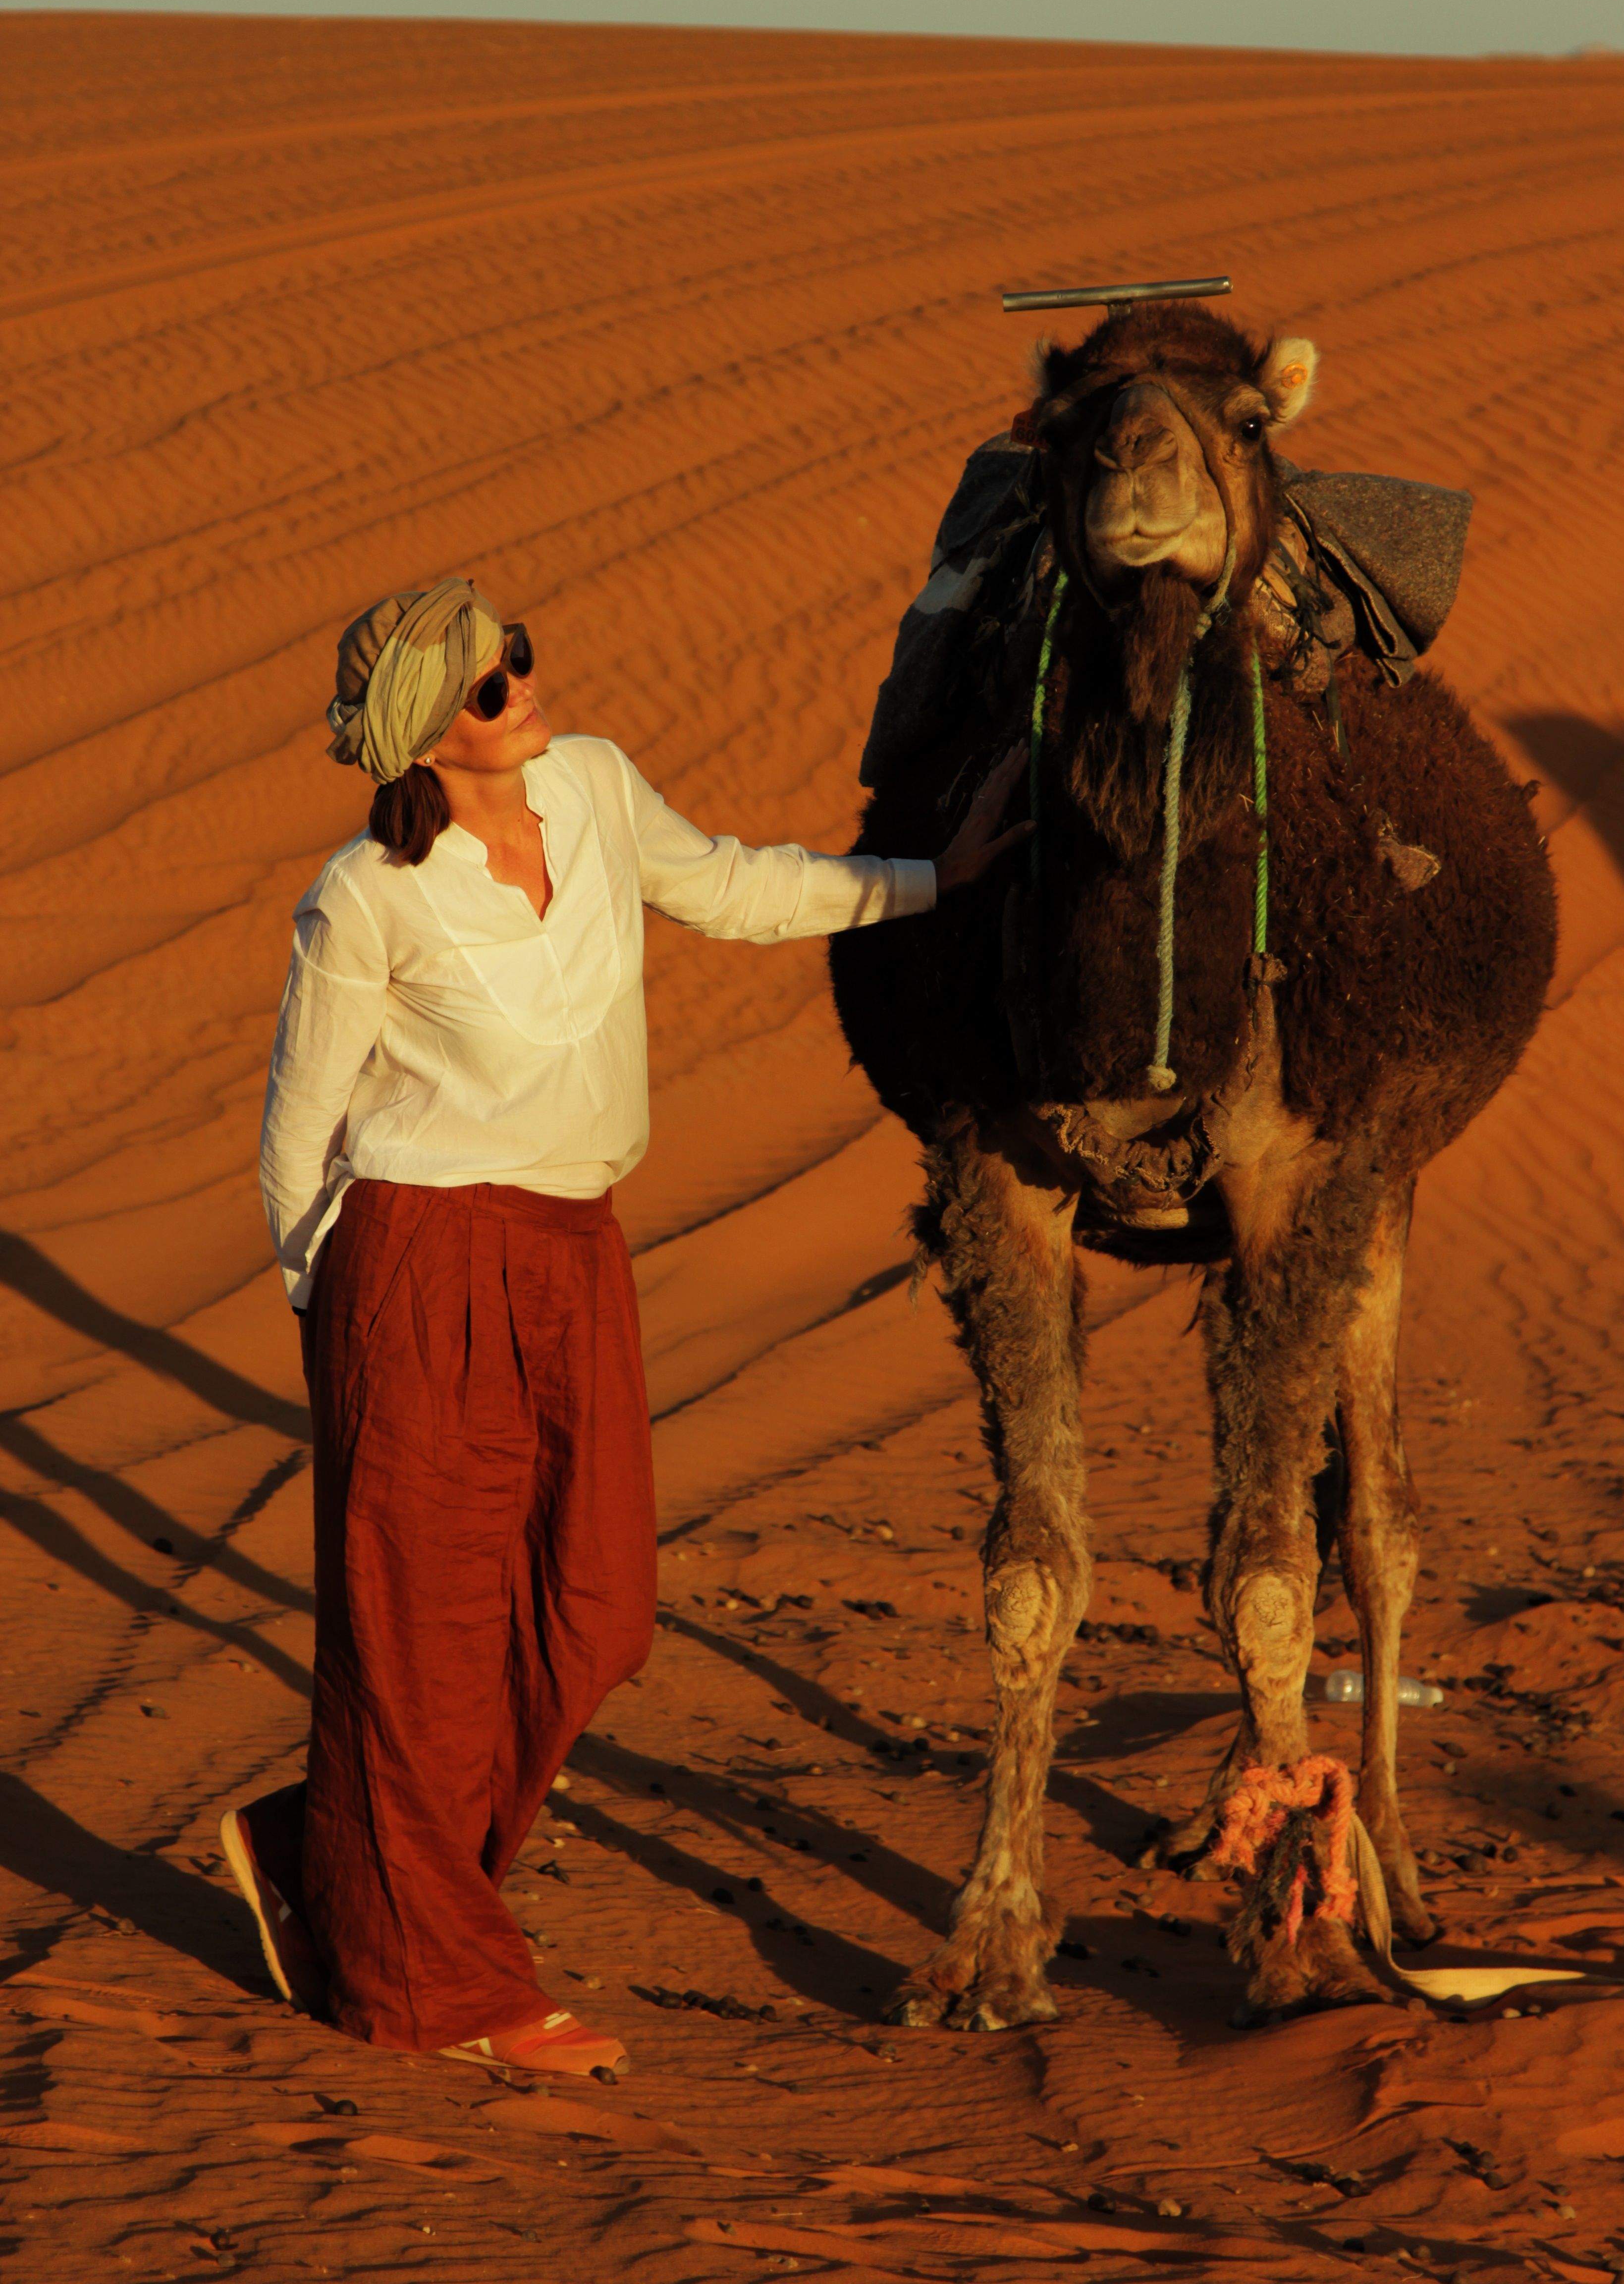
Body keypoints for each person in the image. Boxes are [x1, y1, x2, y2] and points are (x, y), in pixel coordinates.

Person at [220, 577, 1027, 2081]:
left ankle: (342, 1867)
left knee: (593, 1609)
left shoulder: (588, 788)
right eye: (483, 683)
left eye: (513, 652)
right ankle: (437, 1988)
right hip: (419, 1264)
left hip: (574, 1256)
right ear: (422, 739)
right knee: (421, 1641)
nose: (520, 681)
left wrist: (930, 876)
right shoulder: (366, 898)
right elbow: (295, 1137)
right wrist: (331, 1311)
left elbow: (732, 885)